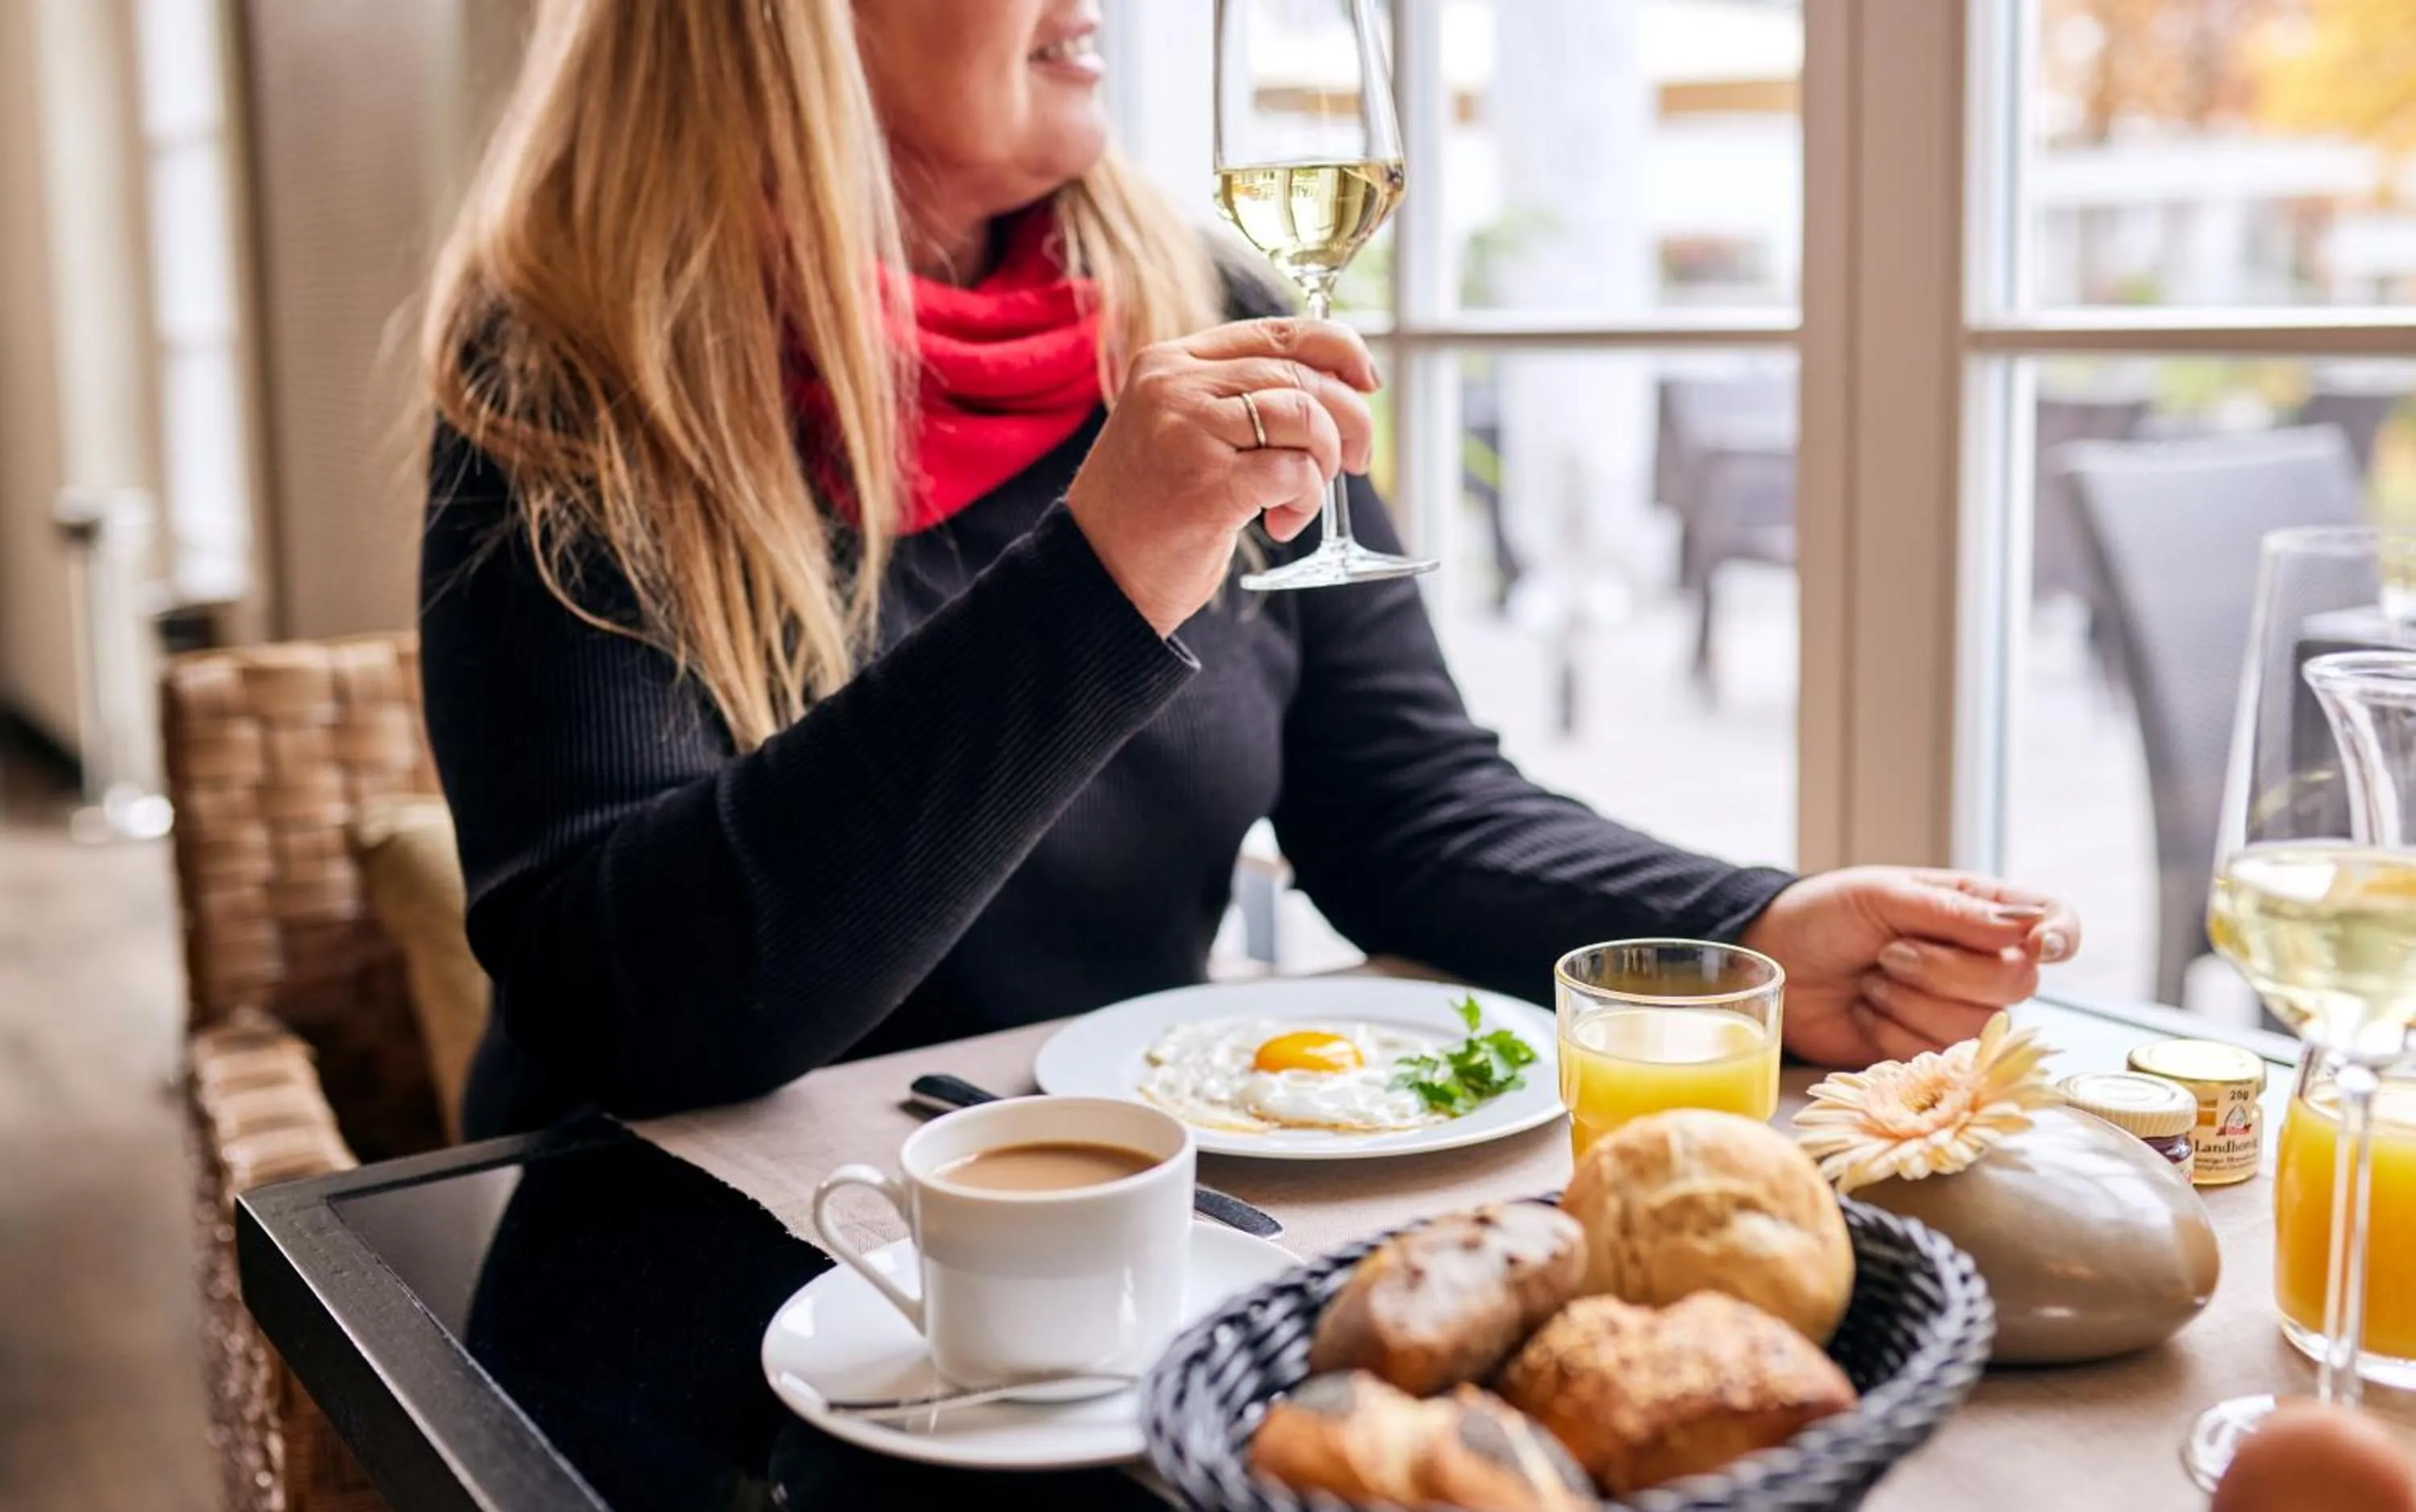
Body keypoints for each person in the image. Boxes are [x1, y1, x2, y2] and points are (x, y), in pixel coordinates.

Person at [418, 0, 2079, 1138]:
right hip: (654, 1297)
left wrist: (1750, 937)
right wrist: (1103, 576)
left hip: (1106, 1224)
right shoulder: (569, 372)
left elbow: (1408, 807)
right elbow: (630, 1002)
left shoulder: (1183, 295)